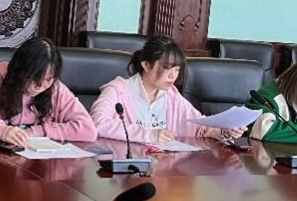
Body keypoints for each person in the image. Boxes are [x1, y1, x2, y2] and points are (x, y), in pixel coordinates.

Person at [0, 37, 97, 146]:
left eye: (48, 80)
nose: (40, 86)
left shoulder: (55, 88)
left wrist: (37, 131)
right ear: (20, 71)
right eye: (34, 79)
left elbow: (88, 130)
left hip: (38, 167)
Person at [90, 35, 242, 144]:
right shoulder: (117, 90)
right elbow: (97, 124)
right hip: (124, 167)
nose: (173, 76)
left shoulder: (172, 96)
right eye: (167, 68)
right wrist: (148, 135)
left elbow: (200, 128)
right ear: (146, 65)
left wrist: (225, 131)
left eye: (176, 69)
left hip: (162, 169)